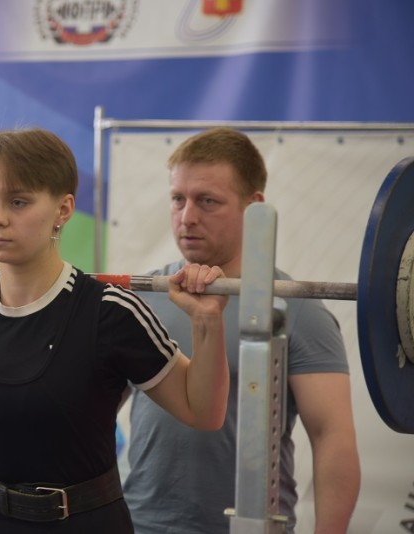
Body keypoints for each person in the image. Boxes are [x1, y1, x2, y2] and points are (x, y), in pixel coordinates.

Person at [0, 127, 230, 533]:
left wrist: (207, 321)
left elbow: (203, 411)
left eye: (18, 202)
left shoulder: (110, 312)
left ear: (63, 210)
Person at [123, 127, 361, 533]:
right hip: (139, 524)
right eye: (177, 199)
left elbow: (331, 438)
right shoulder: (142, 300)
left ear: (255, 208)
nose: (187, 217)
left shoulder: (298, 310)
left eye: (207, 201)